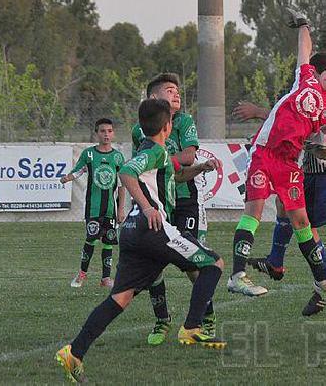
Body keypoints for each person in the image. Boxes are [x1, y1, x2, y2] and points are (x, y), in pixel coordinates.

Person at [55, 98, 225, 383]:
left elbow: (177, 176)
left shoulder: (155, 152)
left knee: (120, 298)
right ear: (167, 126)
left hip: (133, 233)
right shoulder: (156, 151)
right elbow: (126, 172)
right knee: (214, 263)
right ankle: (193, 327)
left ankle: (74, 352)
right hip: (152, 228)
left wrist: (202, 167)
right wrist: (148, 207)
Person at [225, 11, 326, 317]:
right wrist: (305, 25)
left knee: (303, 224)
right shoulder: (305, 78)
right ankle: (238, 276)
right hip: (264, 154)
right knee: (253, 212)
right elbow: (304, 49)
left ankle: (325, 287)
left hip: (290, 165)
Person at [130, 73, 217, 346]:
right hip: (160, 204)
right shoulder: (139, 129)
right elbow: (138, 167)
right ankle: (162, 319)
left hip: (186, 200)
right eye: (170, 90)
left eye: (178, 91)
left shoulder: (185, 121)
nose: (177, 94)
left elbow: (189, 156)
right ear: (153, 98)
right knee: (154, 266)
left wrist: (161, 162)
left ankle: (205, 319)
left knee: (194, 263)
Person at [61, 118, 126, 289]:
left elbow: (121, 186)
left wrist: (120, 210)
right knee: (91, 240)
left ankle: (106, 278)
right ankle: (82, 274)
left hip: (110, 209)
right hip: (93, 208)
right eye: (103, 131)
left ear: (113, 133)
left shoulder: (118, 157)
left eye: (109, 131)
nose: (106, 134)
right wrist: (68, 177)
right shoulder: (89, 154)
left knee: (108, 242)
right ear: (97, 133)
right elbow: (79, 170)